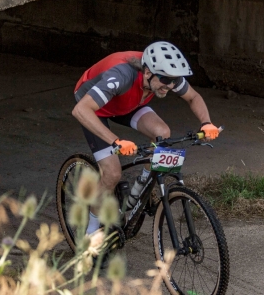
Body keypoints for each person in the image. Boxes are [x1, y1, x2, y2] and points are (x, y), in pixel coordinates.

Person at [72, 41, 221, 236]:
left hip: (129, 102)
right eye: (166, 80)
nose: (170, 86)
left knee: (162, 134)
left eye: (174, 81)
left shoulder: (166, 75)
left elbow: (193, 97)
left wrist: (206, 123)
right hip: (94, 107)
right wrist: (116, 141)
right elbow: (80, 110)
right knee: (112, 173)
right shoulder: (122, 76)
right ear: (148, 72)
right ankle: (89, 231)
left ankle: (139, 189)